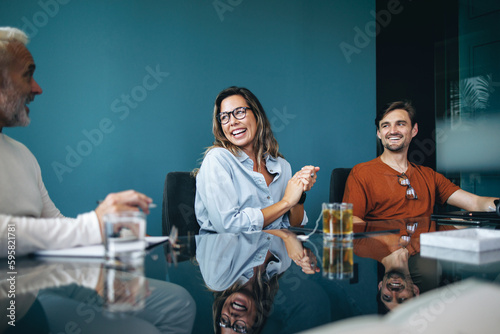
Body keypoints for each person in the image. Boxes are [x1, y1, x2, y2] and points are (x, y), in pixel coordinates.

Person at [0, 27, 152, 256]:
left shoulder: (22, 155)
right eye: (27, 75)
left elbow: (56, 225)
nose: (37, 89)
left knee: (175, 294)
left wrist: (110, 232)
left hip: (41, 280)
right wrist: (93, 225)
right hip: (17, 289)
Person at [343, 100, 499, 222]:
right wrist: (386, 247)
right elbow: (351, 220)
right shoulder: (362, 172)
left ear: (414, 130)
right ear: (379, 133)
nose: (392, 131)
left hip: (426, 254)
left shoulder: (429, 176)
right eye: (385, 126)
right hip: (386, 258)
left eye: (401, 124)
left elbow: (475, 203)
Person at [195, 86, 320, 234]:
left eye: (239, 112)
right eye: (224, 117)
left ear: (257, 115)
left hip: (277, 255)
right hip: (230, 255)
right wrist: (286, 202)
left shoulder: (282, 166)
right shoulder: (217, 159)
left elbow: (294, 227)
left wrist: (299, 192)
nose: (232, 122)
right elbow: (228, 226)